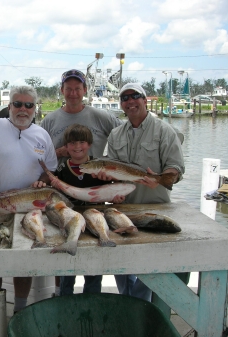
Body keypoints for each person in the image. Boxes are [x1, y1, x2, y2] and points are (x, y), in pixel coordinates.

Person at [0, 85, 57, 335]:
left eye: (29, 105)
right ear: (10, 106)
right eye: (18, 104)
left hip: (28, 209)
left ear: (35, 108)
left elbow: (49, 171)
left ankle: (20, 309)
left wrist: (43, 181)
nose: (23, 109)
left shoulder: (42, 135)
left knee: (23, 261)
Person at [96, 83, 185, 301]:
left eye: (135, 96)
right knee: (122, 264)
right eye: (125, 98)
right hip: (122, 208)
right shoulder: (115, 134)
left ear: (145, 100)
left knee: (151, 265)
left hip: (157, 207)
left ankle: (139, 305)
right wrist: (107, 177)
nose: (130, 101)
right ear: (121, 105)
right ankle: (130, 304)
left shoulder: (166, 130)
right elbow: (115, 169)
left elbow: (176, 168)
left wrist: (161, 179)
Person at [35, 123, 124, 296]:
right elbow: (52, 193)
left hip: (96, 221)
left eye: (82, 142)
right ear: (66, 147)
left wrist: (117, 198)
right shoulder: (61, 170)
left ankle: (91, 301)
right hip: (68, 220)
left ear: (89, 144)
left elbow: (111, 190)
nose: (77, 147)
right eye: (72, 143)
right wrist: (40, 185)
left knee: (94, 270)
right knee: (67, 270)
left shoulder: (100, 168)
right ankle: (65, 301)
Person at [40, 69, 122, 163]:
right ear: (62, 90)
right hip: (58, 177)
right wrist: (58, 152)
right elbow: (38, 155)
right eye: (69, 89)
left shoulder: (101, 117)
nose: (73, 93)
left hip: (94, 176)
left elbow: (127, 133)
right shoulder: (48, 121)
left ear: (85, 90)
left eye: (77, 89)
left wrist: (109, 161)